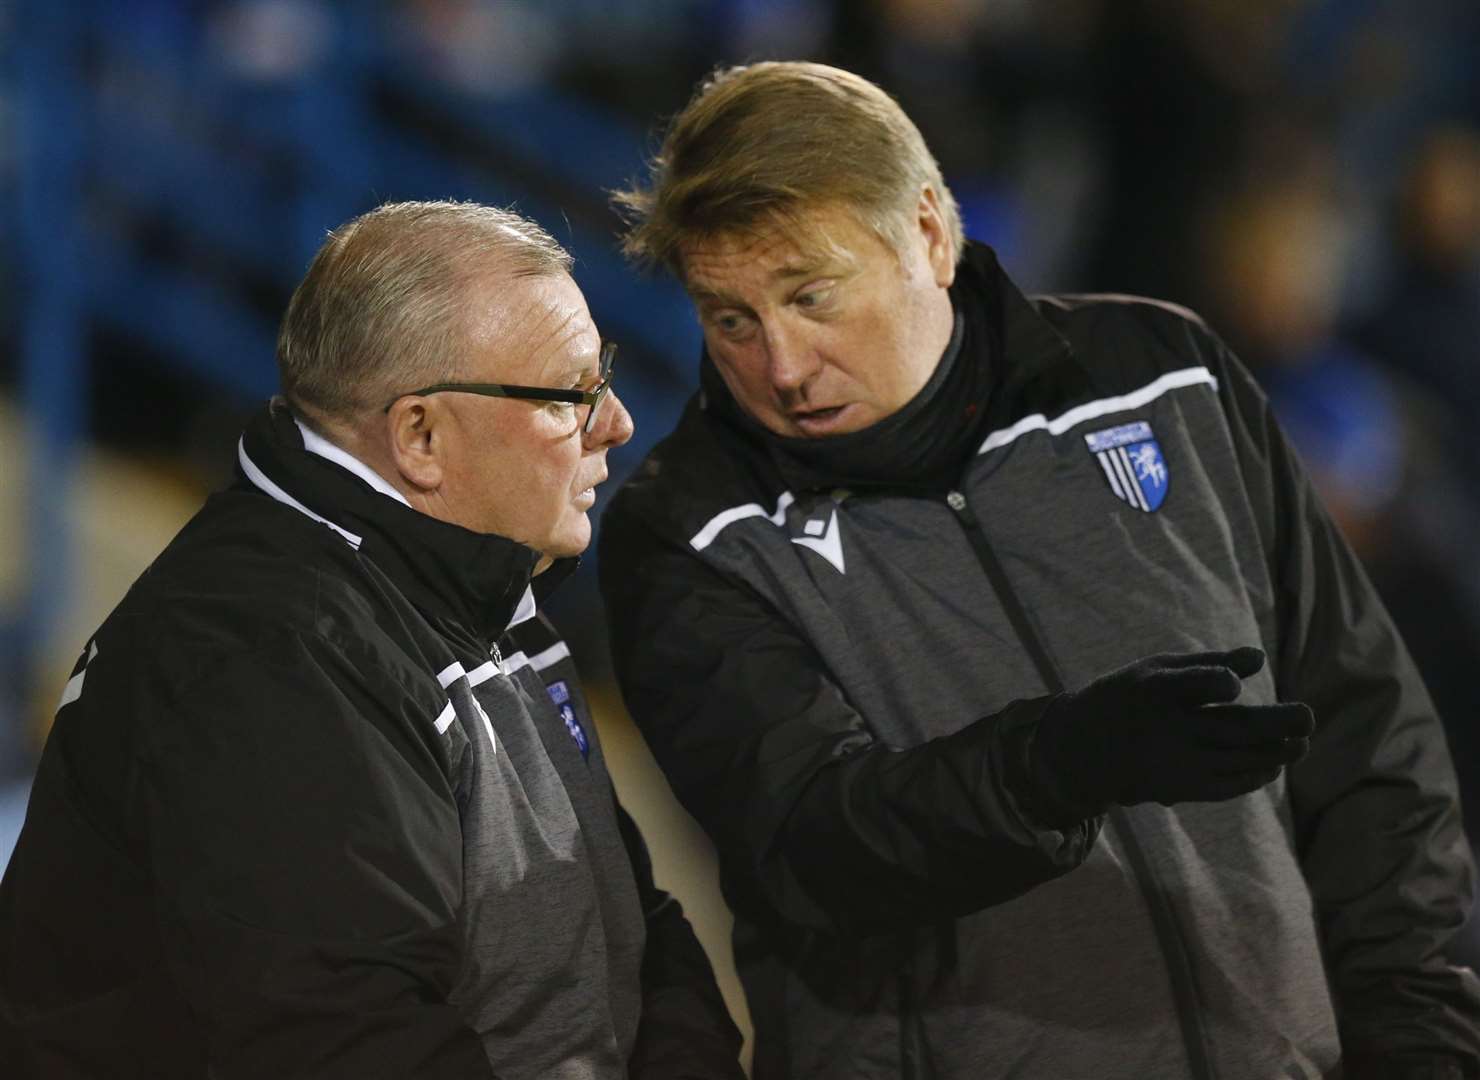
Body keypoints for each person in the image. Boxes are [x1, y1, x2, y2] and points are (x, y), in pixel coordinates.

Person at [599, 62, 1480, 1079]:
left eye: (812, 296)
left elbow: (1365, 734)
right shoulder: (688, 534)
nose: (782, 366)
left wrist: (1414, 1031)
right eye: (731, 320)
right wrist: (1053, 769)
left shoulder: (1163, 375)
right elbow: (811, 847)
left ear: (927, 233)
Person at [0, 201, 744, 1079]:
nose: (616, 423)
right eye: (571, 395)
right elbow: (354, 1043)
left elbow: (634, 923)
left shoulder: (475, 580)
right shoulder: (260, 653)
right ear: (421, 436)